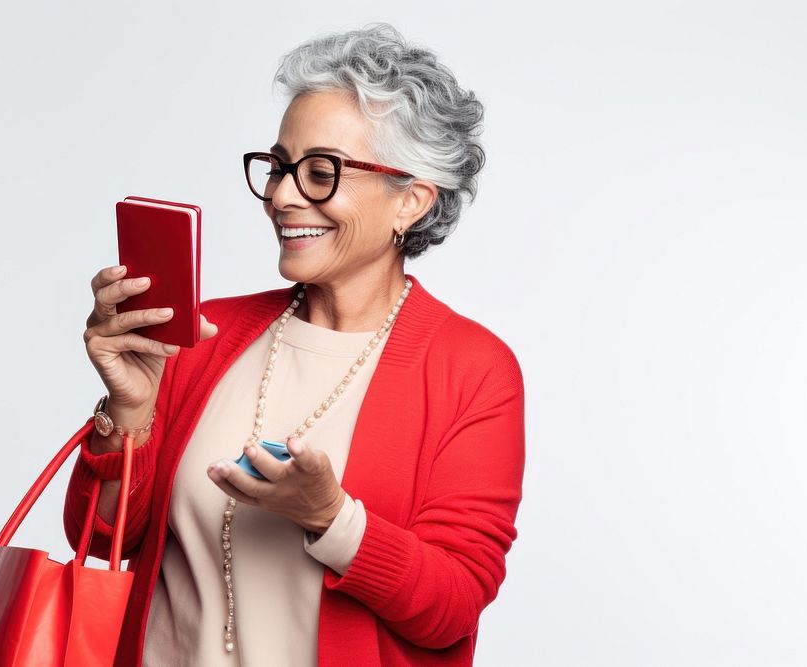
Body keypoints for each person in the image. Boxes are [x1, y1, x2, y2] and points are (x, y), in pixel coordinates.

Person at [64, 23, 525, 667]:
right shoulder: (203, 335)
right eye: (279, 167)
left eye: (320, 172)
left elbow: (451, 605)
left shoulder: (471, 369)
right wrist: (129, 411)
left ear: (411, 201)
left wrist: (331, 517)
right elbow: (104, 538)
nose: (282, 196)